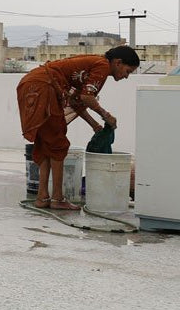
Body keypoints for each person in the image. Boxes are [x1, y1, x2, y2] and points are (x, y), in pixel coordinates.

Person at [16, 46, 140, 210]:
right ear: (118, 63)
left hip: (33, 84)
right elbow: (87, 97)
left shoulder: (95, 63)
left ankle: (42, 197)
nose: (126, 76)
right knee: (58, 144)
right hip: (44, 87)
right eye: (128, 71)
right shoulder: (103, 66)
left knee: (46, 144)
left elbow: (76, 101)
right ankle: (58, 199)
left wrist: (94, 124)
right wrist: (105, 115)